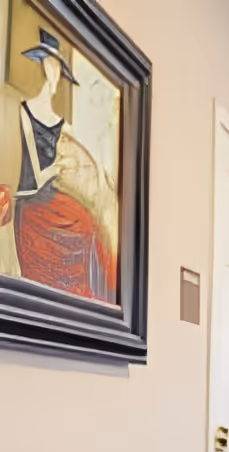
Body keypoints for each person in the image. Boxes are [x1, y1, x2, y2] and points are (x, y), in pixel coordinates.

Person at [1, 30, 118, 303]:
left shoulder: (65, 125)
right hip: (33, 205)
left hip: (62, 206)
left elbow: (77, 171)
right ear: (42, 67)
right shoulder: (22, 112)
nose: (53, 75)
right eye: (49, 66)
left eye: (57, 68)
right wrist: (58, 171)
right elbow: (29, 177)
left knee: (87, 221)